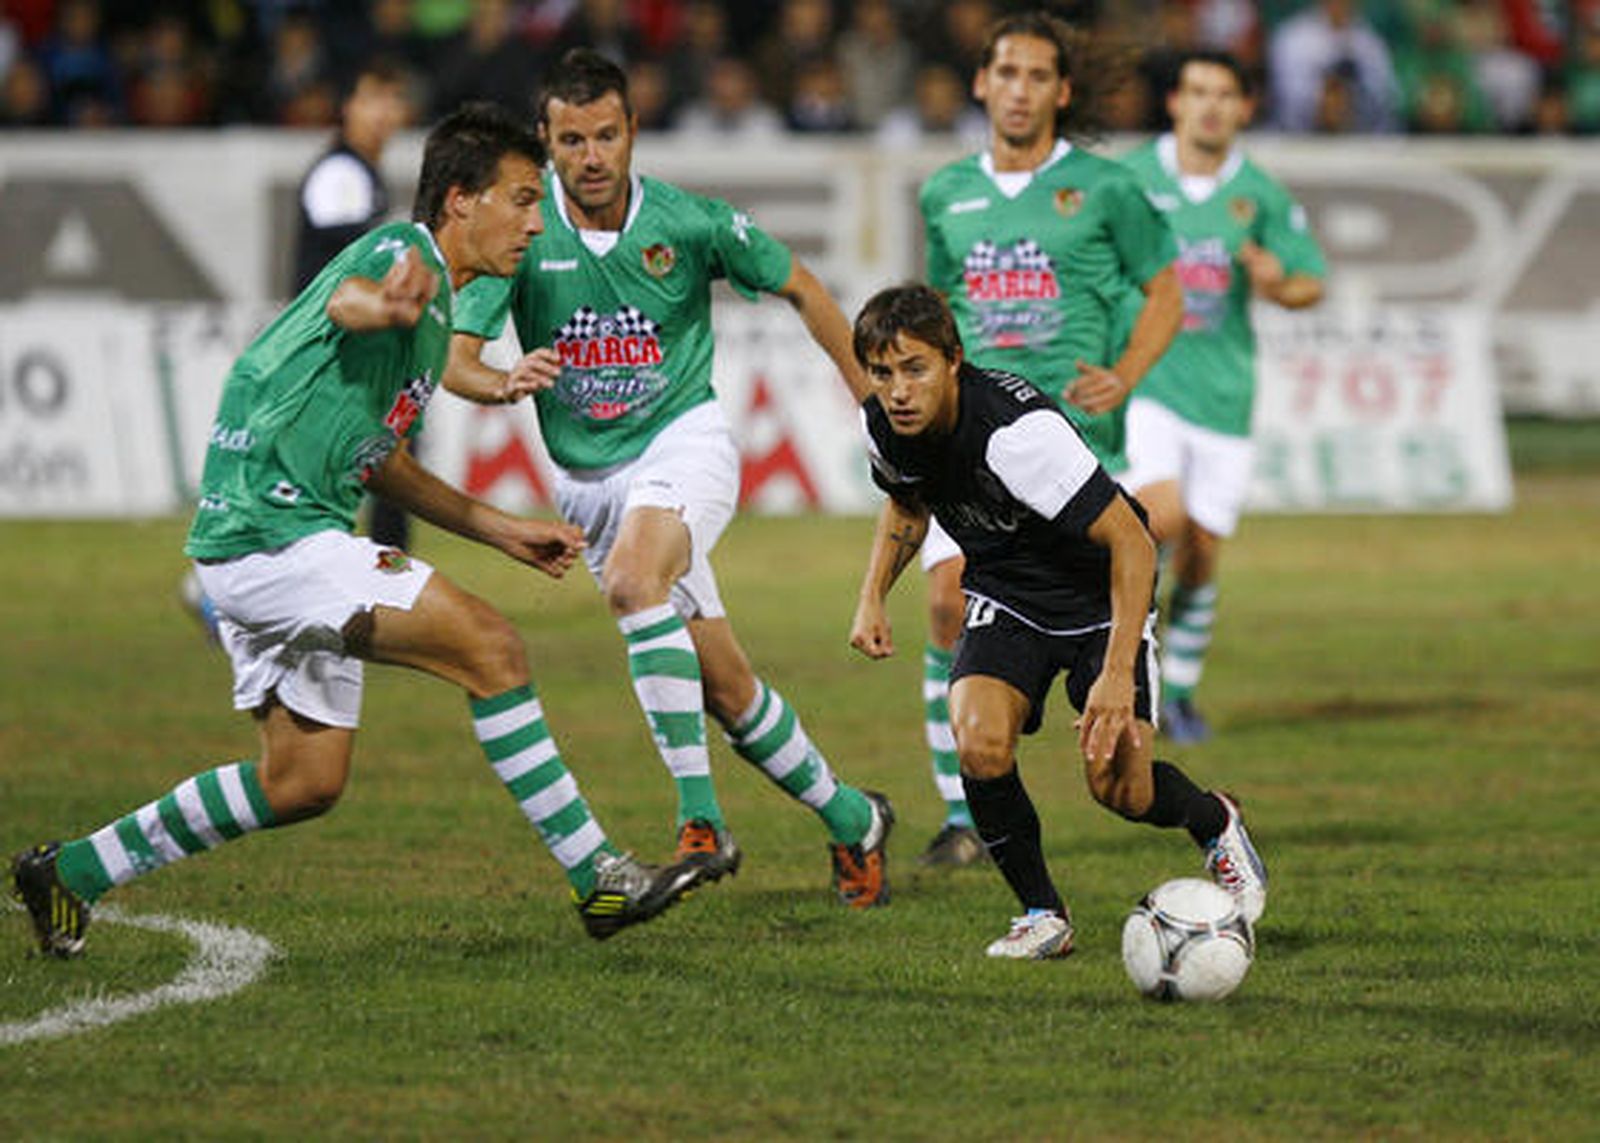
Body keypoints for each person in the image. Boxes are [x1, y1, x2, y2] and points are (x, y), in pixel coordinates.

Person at [11, 103, 704, 960]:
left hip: (262, 542)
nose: (536, 218)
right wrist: (386, 306)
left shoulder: (439, 310)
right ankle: (598, 874)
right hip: (275, 535)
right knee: (493, 647)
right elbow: (349, 300)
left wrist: (497, 528)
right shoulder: (401, 255)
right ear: (460, 201)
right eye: (522, 199)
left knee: (303, 780)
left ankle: (71, 871)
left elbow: (376, 456)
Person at [445, 50, 894, 908]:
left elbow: (801, 285)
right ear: (545, 141)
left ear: (632, 132)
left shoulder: (689, 223)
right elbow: (456, 359)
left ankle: (700, 821)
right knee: (724, 688)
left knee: (631, 580)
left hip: (683, 445)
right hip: (587, 483)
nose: (592, 155)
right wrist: (500, 380)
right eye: (571, 139)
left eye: (606, 134)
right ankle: (852, 818)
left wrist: (866, 396)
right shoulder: (523, 235)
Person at [847, 283, 1265, 960]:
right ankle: (1043, 913)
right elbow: (906, 503)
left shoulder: (1017, 435)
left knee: (1120, 790)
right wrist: (872, 594)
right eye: (883, 372)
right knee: (978, 741)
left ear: (954, 360)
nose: (898, 390)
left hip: (1100, 601)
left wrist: (1117, 672)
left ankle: (1216, 819)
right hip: (1008, 597)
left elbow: (1132, 537)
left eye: (915, 368)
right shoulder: (884, 425)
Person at [911, 10, 1182, 867]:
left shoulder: (1105, 188)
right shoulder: (945, 193)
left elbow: (1168, 289)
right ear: (981, 84)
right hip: (975, 455)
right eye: (1006, 73)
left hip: (1079, 447)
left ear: (1061, 92)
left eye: (1037, 76)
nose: (1019, 90)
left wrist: (1128, 372)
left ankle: (1180, 794)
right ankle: (966, 813)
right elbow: (936, 313)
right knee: (947, 599)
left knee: (1122, 773)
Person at [1119, 52, 1326, 743]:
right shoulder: (1132, 179)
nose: (1210, 105)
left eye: (1225, 94)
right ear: (1175, 101)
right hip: (1148, 381)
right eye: (1198, 91)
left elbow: (1309, 282)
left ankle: (1177, 693)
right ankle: (1117, 658)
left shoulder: (1260, 196)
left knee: (1202, 549)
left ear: (1245, 108)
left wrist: (1275, 282)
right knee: (1160, 517)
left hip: (1226, 393)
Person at [296, 57, 414, 553]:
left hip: (350, 354)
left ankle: (387, 580)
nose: (383, 112)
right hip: (334, 358)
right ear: (346, 108)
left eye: (391, 99)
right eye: (371, 98)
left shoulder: (361, 172)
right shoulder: (340, 172)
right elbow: (349, 247)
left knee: (382, 469)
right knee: (384, 470)